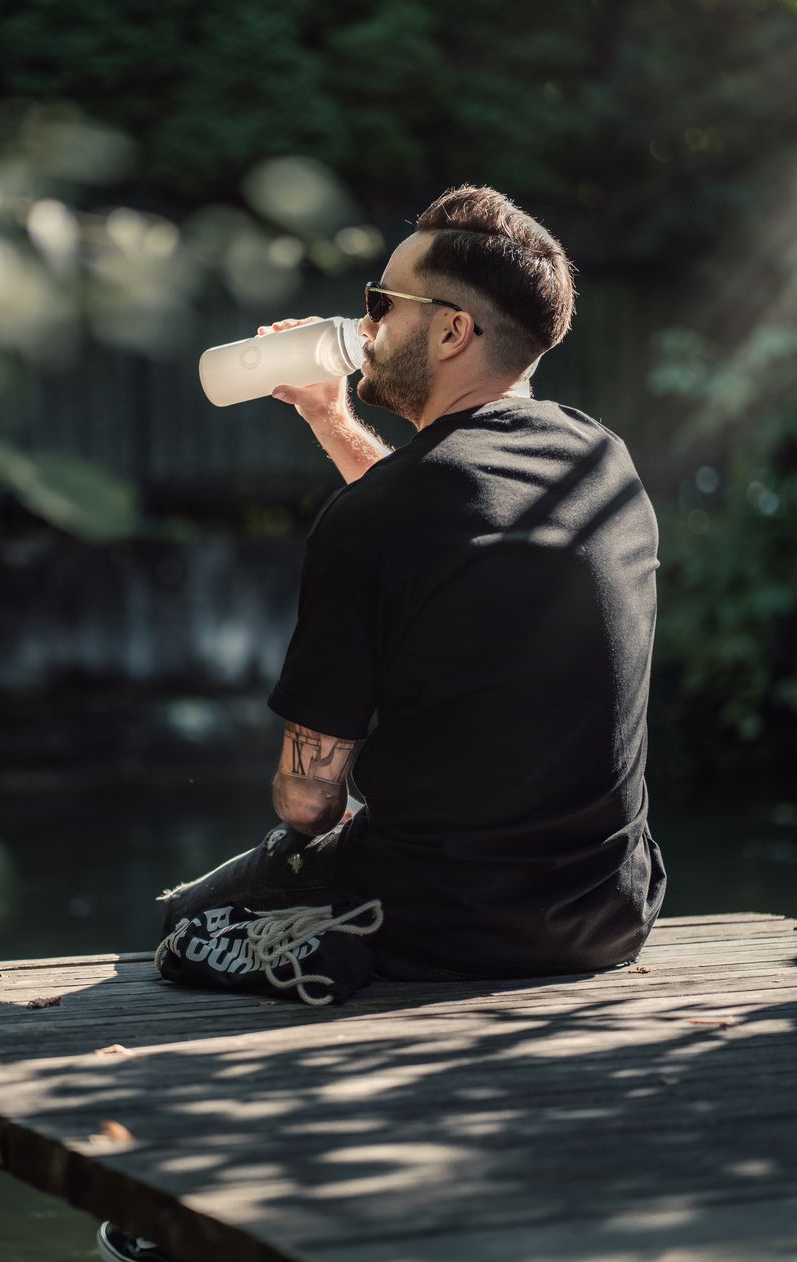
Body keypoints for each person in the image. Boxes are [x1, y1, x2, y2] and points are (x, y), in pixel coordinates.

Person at [96, 181, 667, 1259]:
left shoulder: (372, 521)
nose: (363, 327)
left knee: (189, 926)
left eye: (382, 302)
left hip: (442, 928)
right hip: (603, 912)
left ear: (449, 330)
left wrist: (304, 843)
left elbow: (309, 797)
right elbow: (443, 536)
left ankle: (184, 1220)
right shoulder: (598, 462)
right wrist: (330, 418)